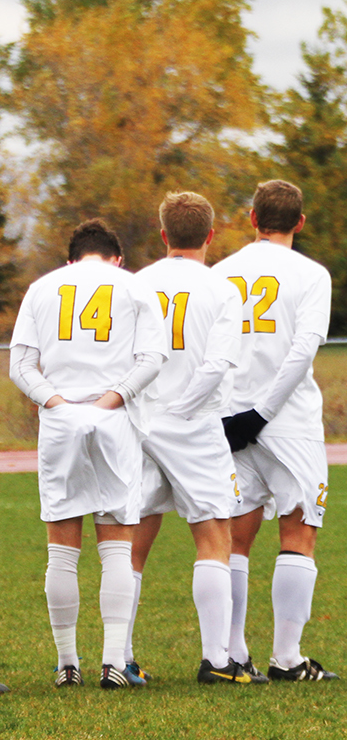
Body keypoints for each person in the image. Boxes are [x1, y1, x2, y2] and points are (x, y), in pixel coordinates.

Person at [9, 219, 165, 688]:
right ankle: (114, 660)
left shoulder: (42, 287)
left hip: (60, 420)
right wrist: (110, 400)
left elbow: (20, 365)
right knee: (116, 543)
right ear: (116, 257)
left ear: (71, 258)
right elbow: (153, 359)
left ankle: (67, 663)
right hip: (112, 417)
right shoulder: (133, 285)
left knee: (62, 548)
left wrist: (57, 403)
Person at [215, 179, 336, 682]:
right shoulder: (312, 274)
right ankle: (287, 657)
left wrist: (230, 412)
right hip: (288, 422)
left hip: (229, 419)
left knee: (234, 537)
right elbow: (304, 349)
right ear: (300, 223)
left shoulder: (221, 272)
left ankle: (235, 650)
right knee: (298, 531)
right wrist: (263, 413)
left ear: (251, 218)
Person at [128, 192, 246, 685]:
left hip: (141, 418)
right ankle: (217, 659)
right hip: (193, 422)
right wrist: (182, 412)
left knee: (133, 540)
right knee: (215, 534)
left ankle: (121, 657)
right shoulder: (222, 288)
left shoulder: (136, 283)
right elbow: (217, 365)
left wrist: (151, 411)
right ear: (210, 235)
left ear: (163, 235)